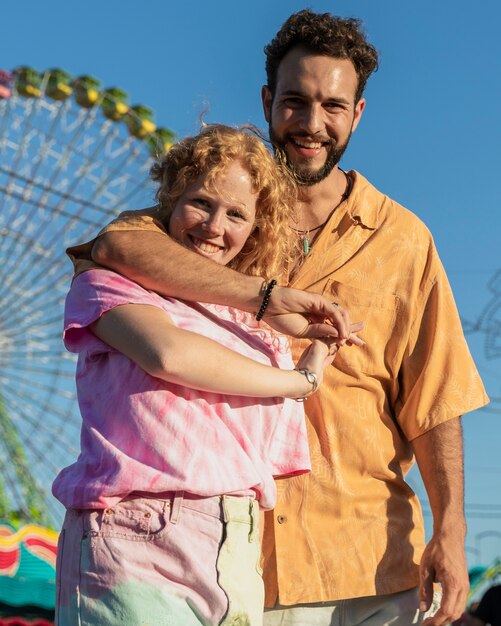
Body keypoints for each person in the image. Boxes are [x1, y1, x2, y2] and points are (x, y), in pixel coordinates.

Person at [66, 9, 489, 626]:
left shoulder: (405, 240)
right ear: (268, 101)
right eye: (295, 102)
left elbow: (435, 399)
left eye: (333, 106)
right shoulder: (209, 223)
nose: (312, 124)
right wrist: (264, 297)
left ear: (359, 113)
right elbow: (113, 248)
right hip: (231, 561)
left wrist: (450, 531)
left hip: (369, 557)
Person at [53, 125, 357, 626]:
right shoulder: (104, 281)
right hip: (136, 532)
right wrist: (299, 382)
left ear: (255, 227)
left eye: (237, 214)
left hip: (234, 542)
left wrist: (315, 347)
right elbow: (169, 355)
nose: (215, 227)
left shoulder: (246, 322)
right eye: (200, 203)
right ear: (168, 203)